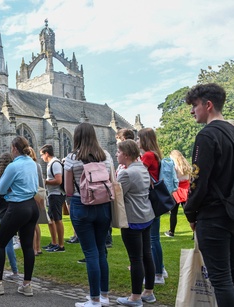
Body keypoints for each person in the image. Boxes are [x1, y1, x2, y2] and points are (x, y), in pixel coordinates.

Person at [184, 83, 234, 306]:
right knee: (232, 275)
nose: (192, 110)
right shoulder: (233, 132)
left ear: (208, 105)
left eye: (194, 105)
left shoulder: (208, 135)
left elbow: (198, 180)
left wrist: (190, 211)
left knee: (221, 279)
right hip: (232, 211)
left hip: (214, 214)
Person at [64, 122, 113, 307]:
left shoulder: (71, 158)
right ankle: (104, 296)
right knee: (101, 251)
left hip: (81, 204)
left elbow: (68, 190)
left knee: (90, 252)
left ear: (76, 137)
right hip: (103, 205)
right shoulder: (105, 155)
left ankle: (93, 300)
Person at [0, 136, 39, 296]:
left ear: (14, 148)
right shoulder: (32, 163)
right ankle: (27, 284)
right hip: (31, 205)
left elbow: (1, 189)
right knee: (28, 245)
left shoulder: (14, 166)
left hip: (18, 206)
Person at [116, 139, 157, 306]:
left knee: (136, 259)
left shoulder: (126, 173)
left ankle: (135, 297)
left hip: (133, 219)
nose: (116, 155)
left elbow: (118, 195)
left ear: (125, 154)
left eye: (118, 152)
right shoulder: (141, 168)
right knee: (147, 255)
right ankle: (149, 292)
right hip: (147, 215)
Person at [137, 127, 167, 284]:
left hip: (150, 198)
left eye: (138, 138)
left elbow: (138, 171)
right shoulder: (154, 154)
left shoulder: (148, 156)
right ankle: (160, 269)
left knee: (153, 238)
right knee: (154, 238)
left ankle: (158, 274)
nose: (137, 141)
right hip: (154, 198)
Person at [0, 152, 20, 280]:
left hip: (3, 212)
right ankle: (14, 270)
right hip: (14, 210)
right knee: (9, 242)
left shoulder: (2, 180)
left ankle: (6, 272)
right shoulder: (15, 177)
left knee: (4, 243)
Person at [40, 144, 66, 252]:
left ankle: (60, 245)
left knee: (57, 219)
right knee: (51, 219)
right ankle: (54, 242)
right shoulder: (51, 163)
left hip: (57, 194)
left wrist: (45, 182)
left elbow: (59, 180)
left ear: (47, 153)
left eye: (42, 155)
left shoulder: (55, 164)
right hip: (52, 194)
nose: (41, 157)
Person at [164, 150, 191, 238]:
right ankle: (195, 231)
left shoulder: (174, 167)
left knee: (173, 212)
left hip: (177, 189)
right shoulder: (186, 165)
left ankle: (172, 231)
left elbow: (173, 178)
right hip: (186, 189)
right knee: (188, 211)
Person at [28, 147, 45, 256]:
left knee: (31, 225)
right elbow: (41, 182)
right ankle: (38, 248)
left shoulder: (29, 165)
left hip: (31, 195)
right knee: (36, 224)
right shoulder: (37, 165)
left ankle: (34, 249)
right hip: (39, 194)